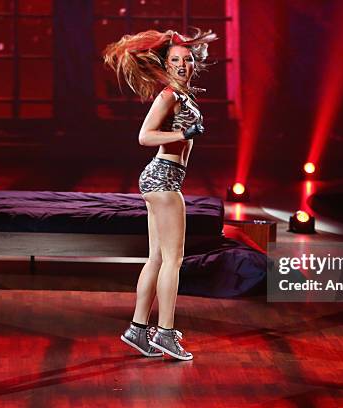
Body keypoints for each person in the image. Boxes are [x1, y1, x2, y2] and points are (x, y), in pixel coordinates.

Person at [103, 28, 216, 361]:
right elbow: (144, 136)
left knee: (156, 258)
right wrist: (184, 131)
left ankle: (138, 330)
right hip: (164, 179)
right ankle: (165, 334)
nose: (182, 64)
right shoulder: (168, 95)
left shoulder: (182, 94)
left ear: (195, 63)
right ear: (166, 65)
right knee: (174, 260)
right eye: (176, 60)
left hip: (160, 179)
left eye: (187, 59)